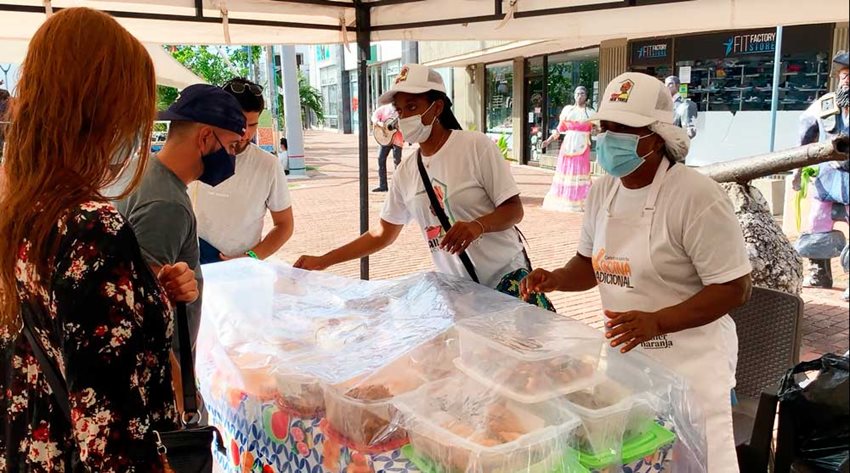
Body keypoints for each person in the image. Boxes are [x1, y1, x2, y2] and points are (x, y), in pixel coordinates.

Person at [521, 72, 752, 472]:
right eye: (605, 126)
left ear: (656, 136)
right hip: (628, 366)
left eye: (623, 129)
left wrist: (657, 322)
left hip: (691, 370)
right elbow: (588, 264)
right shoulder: (602, 191)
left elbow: (734, 287)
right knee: (638, 457)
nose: (608, 138)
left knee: (696, 463)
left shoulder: (695, 195)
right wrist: (557, 278)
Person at [0, 8, 198, 470]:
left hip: (35, 446)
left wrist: (143, 292)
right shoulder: (91, 225)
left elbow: (59, 328)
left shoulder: (24, 209)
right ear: (99, 110)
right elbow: (110, 432)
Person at [296, 64, 552, 309]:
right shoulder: (406, 172)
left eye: (412, 107)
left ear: (437, 107)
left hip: (507, 283)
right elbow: (382, 234)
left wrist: (477, 226)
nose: (404, 117)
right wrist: (324, 260)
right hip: (461, 296)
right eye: (400, 110)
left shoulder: (475, 146)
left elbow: (514, 210)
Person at [117, 84, 246, 355]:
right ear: (206, 138)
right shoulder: (167, 205)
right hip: (162, 364)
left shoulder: (141, 170)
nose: (233, 156)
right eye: (233, 146)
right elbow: (143, 309)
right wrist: (179, 387)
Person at [192, 77, 294, 265]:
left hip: (242, 271)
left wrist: (251, 258)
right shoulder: (194, 156)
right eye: (238, 122)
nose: (245, 133)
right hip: (192, 265)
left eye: (252, 125)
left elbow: (285, 225)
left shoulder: (268, 165)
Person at [792, 51, 849, 299]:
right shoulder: (824, 104)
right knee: (817, 223)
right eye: (844, 75)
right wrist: (797, 172)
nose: (847, 80)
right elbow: (805, 138)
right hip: (827, 179)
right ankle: (819, 272)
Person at [540, 86, 595, 212]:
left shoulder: (591, 113)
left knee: (580, 171)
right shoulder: (567, 110)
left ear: (586, 96)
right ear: (574, 95)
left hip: (582, 146)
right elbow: (559, 129)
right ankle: (564, 199)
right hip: (568, 145)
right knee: (566, 170)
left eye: (582, 93)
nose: (579, 96)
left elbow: (598, 128)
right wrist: (548, 141)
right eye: (577, 93)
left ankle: (580, 200)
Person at [371, 102, 404, 192]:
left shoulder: (401, 111)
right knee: (381, 159)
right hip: (384, 139)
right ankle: (383, 186)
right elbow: (374, 116)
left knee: (397, 162)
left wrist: (400, 127)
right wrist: (379, 123)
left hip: (397, 139)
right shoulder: (384, 108)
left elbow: (405, 124)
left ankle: (399, 187)